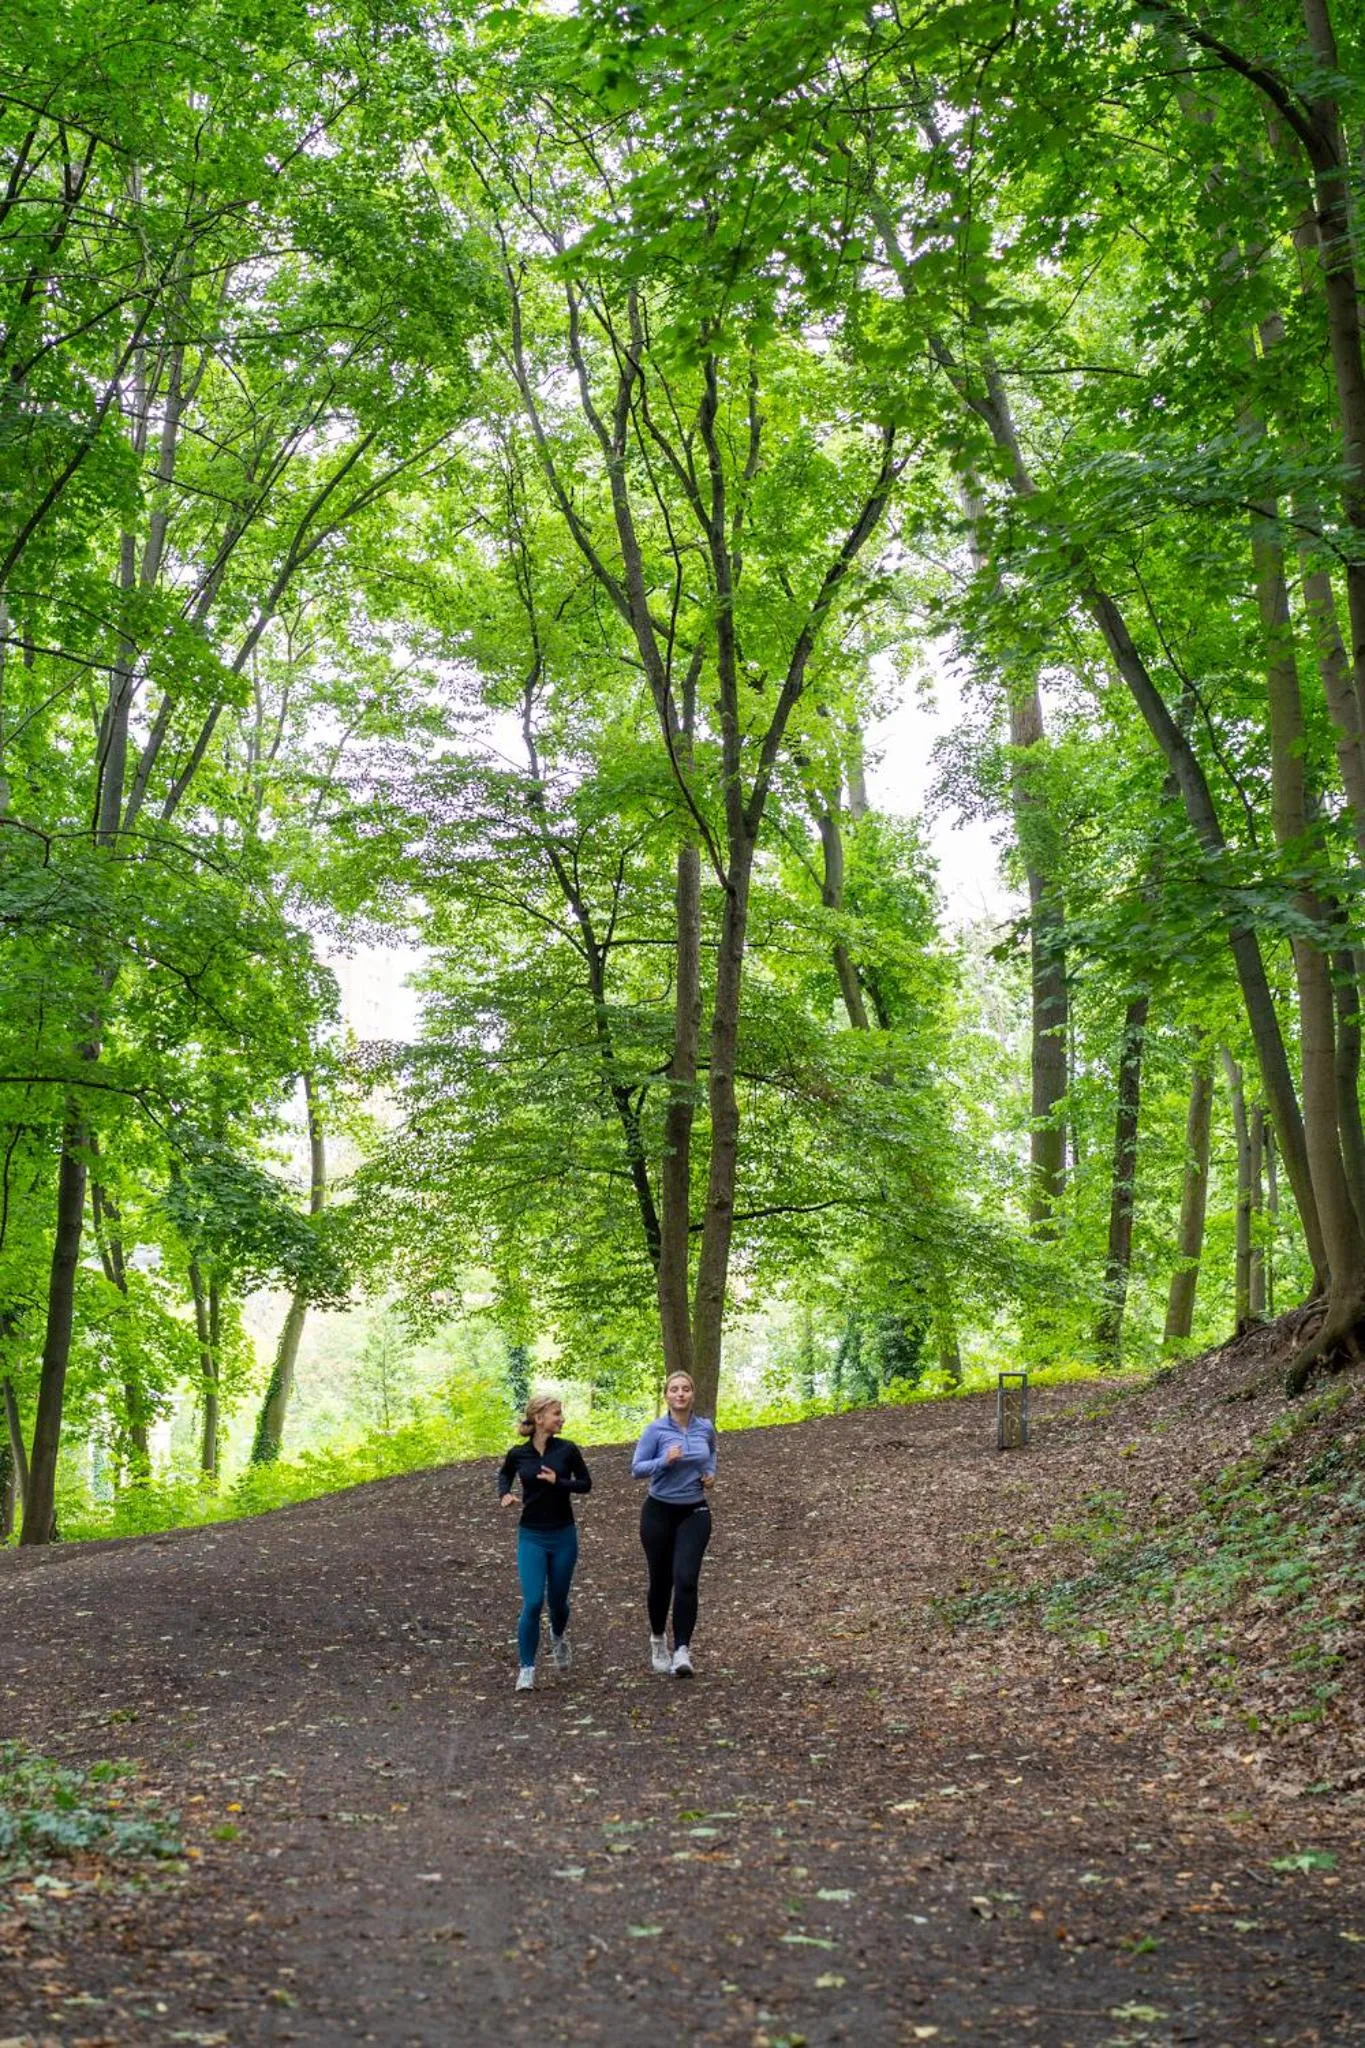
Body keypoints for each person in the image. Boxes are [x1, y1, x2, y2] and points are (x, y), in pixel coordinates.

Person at [497, 1394, 592, 1692]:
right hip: (532, 1535)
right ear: (539, 1418)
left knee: (558, 1602)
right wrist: (505, 1493)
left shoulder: (567, 1450)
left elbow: (586, 1484)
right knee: (534, 1601)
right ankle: (527, 1669)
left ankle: (558, 1635)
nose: (561, 1419)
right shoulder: (518, 1454)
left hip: (563, 1534)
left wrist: (559, 1482)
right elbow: (505, 1474)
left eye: (560, 1414)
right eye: (556, 1414)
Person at [631, 1370, 717, 1678]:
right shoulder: (655, 1431)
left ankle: (682, 1650)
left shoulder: (704, 1428)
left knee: (686, 1578)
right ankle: (658, 1640)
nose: (680, 1394)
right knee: (661, 1581)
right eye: (674, 1389)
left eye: (685, 1389)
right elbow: (637, 1469)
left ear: (693, 1395)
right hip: (658, 1512)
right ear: (666, 1396)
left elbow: (711, 1452)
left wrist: (709, 1473)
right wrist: (664, 1460)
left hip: (694, 1510)